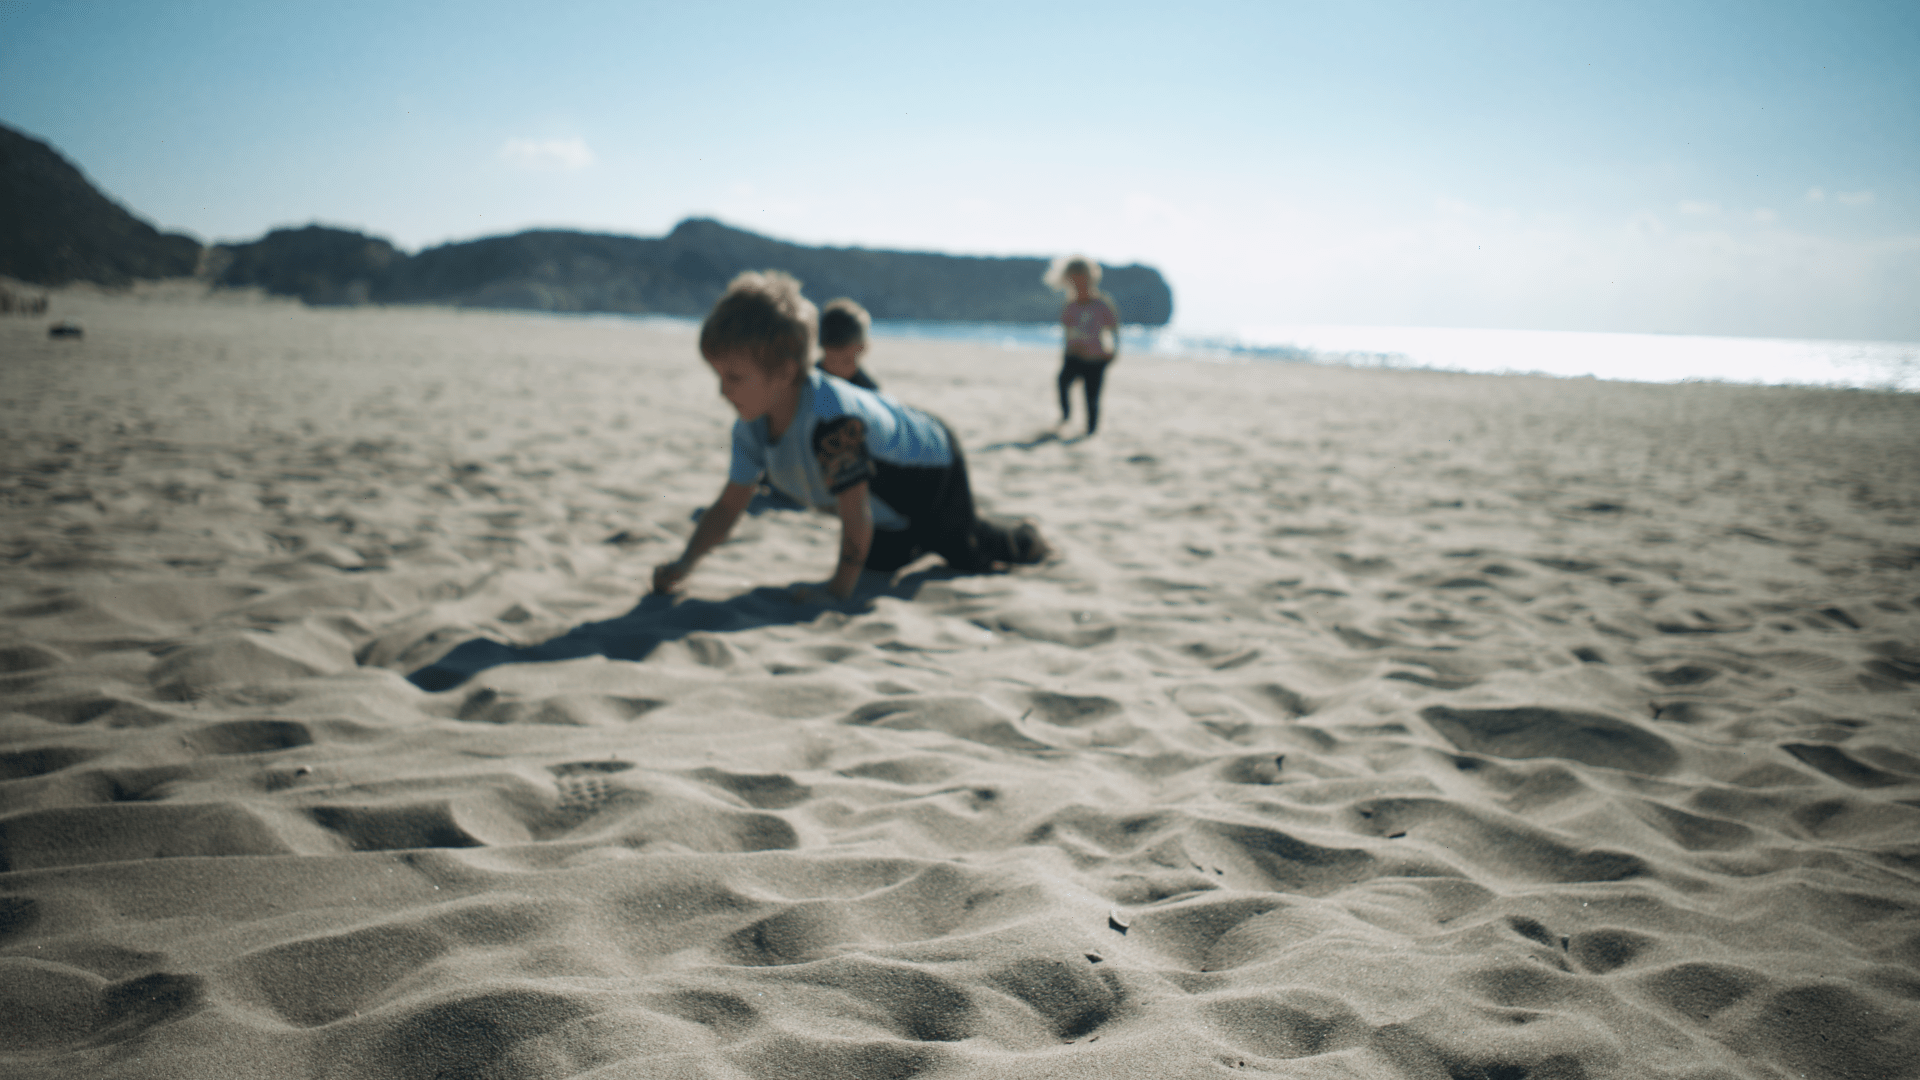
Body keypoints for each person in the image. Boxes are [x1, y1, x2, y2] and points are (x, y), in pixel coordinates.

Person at [652, 271, 1048, 602]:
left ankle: (1027, 537)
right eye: (719, 376)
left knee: (963, 550)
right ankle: (922, 538)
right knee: (880, 561)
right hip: (883, 498)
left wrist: (836, 590)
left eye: (734, 378)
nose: (723, 391)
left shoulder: (832, 423)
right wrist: (684, 564)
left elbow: (854, 512)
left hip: (932, 465)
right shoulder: (751, 426)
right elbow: (727, 508)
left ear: (787, 373)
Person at [1047, 255, 1120, 435]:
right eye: (1074, 281)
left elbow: (1114, 329)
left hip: (1096, 358)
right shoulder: (1070, 306)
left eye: (1082, 280)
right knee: (1062, 382)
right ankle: (1065, 416)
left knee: (1092, 396)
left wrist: (1114, 351)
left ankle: (1091, 430)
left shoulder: (1102, 304)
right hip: (1074, 356)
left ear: (1091, 279)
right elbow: (1067, 331)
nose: (1079, 284)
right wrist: (1067, 352)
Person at [817, 297, 880, 390]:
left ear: (863, 348)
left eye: (846, 361)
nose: (838, 369)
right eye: (832, 361)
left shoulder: (869, 392)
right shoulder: (804, 385)